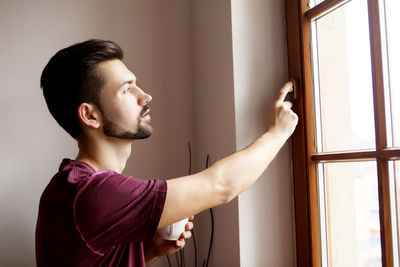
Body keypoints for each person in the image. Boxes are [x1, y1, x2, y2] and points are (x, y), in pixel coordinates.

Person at [35, 39, 298, 267]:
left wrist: (150, 252)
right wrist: (277, 133)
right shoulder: (92, 193)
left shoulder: (69, 186)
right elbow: (221, 185)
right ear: (90, 115)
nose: (145, 96)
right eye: (126, 89)